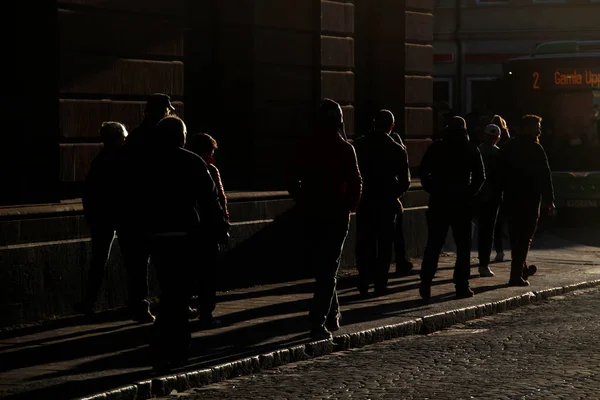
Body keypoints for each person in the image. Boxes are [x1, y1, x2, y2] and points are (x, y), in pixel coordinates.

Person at [144, 115, 229, 370]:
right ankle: (174, 347)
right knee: (178, 293)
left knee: (170, 290)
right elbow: (209, 199)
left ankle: (165, 344)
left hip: (157, 236)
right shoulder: (192, 162)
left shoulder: (146, 163)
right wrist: (218, 227)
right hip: (185, 236)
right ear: (181, 137)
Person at [287, 98, 362, 340]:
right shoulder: (345, 148)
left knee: (325, 266)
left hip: (313, 211)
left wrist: (302, 199)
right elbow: (356, 182)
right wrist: (348, 206)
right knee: (328, 267)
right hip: (336, 213)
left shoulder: (306, 146)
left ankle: (331, 314)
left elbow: (291, 179)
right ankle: (319, 321)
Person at [116, 93, 175, 323]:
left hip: (133, 210)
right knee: (164, 263)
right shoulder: (161, 138)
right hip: (153, 211)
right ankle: (168, 304)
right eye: (167, 110)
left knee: (138, 265)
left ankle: (141, 306)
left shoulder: (135, 137)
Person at [418, 116, 485, 300]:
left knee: (433, 244)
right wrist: (469, 193)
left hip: (439, 201)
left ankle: (426, 282)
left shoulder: (437, 147)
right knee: (463, 248)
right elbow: (480, 177)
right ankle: (462, 285)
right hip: (461, 204)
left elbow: (423, 172)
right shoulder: (470, 148)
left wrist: (433, 188)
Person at [353, 110, 411, 296]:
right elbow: (405, 180)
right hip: (387, 203)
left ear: (373, 123)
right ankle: (380, 283)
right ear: (391, 127)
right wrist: (392, 195)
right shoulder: (396, 148)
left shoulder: (359, 145)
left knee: (364, 243)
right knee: (385, 245)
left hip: (365, 201)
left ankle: (363, 281)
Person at [75, 122, 127, 316]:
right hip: (119, 216)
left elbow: (88, 192)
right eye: (123, 137)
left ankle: (89, 301)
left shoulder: (100, 161)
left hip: (102, 218)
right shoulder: (121, 160)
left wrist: (92, 216)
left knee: (98, 261)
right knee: (131, 261)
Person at [497, 114, 555, 286]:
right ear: (527, 128)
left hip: (511, 197)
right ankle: (515, 275)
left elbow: (499, 172)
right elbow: (545, 175)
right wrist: (549, 199)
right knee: (525, 237)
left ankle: (522, 269)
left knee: (516, 236)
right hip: (530, 199)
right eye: (537, 126)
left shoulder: (509, 146)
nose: (539, 130)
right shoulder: (536, 149)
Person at [185, 133, 230, 328]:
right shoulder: (210, 170)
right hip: (208, 230)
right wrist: (224, 223)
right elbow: (219, 199)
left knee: (187, 272)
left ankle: (184, 308)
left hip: (187, 229)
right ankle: (206, 313)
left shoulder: (181, 167)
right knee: (207, 275)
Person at [475, 124, 503, 278]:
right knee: (488, 232)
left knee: (477, 231)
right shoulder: (499, 154)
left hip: (476, 196)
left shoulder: (476, 151)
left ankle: (476, 262)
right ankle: (483, 265)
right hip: (492, 198)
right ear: (497, 139)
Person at [390, 131, 414, 275]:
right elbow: (405, 180)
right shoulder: (396, 146)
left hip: (370, 199)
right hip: (391, 199)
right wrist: (395, 194)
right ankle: (400, 262)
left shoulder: (365, 143)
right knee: (396, 235)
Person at [490, 114, 510, 262]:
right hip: (507, 188)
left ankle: (499, 251)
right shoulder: (509, 142)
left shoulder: (489, 146)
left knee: (496, 223)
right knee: (508, 220)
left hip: (494, 188)